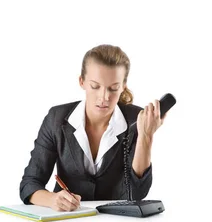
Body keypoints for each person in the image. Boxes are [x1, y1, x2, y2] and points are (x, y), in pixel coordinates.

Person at [19, 44, 167, 211]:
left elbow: (138, 192)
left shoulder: (136, 120)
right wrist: (52, 199)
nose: (104, 97)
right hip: (66, 221)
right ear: (82, 82)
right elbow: (29, 184)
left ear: (123, 86)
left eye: (113, 88)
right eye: (95, 86)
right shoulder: (57, 118)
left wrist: (146, 136)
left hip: (117, 220)